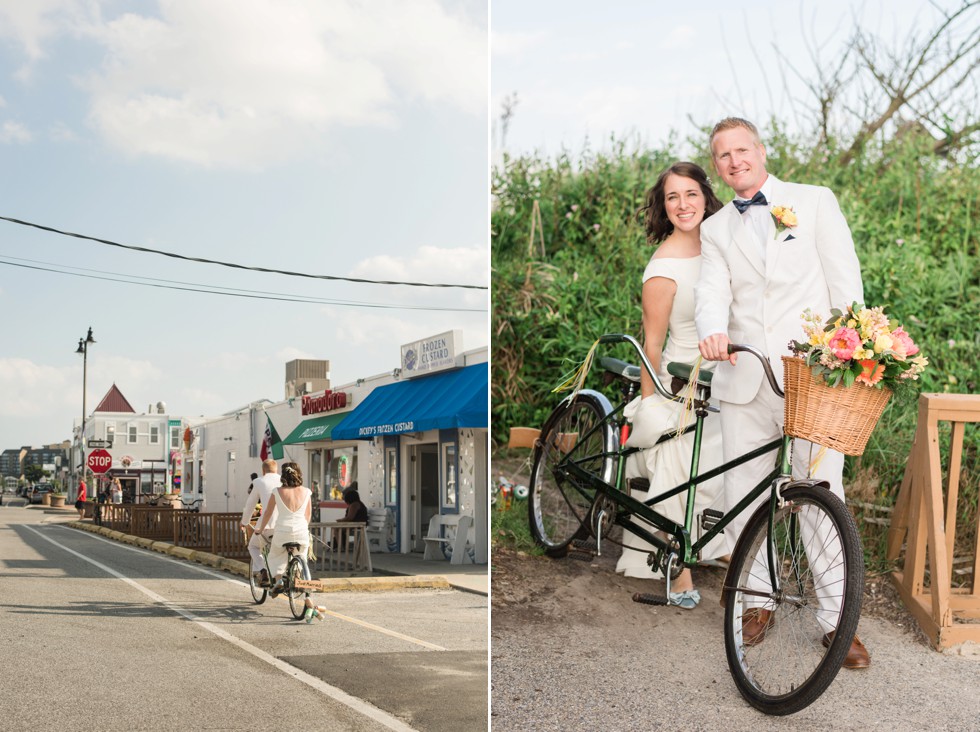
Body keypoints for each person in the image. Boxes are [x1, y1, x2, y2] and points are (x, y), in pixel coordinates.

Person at [695, 117, 869, 668]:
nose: (734, 161)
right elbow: (711, 289)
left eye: (741, 150)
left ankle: (836, 623)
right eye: (723, 156)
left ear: (761, 151)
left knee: (821, 493)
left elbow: (846, 283)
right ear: (717, 166)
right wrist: (710, 330)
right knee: (748, 498)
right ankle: (757, 602)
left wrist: (854, 351)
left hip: (812, 378)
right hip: (746, 377)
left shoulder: (814, 202)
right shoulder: (716, 228)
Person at [614, 161, 728, 609]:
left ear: (706, 196)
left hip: (727, 376)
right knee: (680, 466)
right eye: (672, 197)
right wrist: (651, 401)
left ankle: (721, 543)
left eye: (690, 194)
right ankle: (680, 572)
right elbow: (653, 343)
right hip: (681, 383)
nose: (683, 205)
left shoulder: (723, 245)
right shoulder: (662, 268)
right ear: (664, 207)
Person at [255, 462, 324, 622]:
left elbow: (267, 513)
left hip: (283, 532)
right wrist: (301, 528)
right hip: (301, 532)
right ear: (298, 474)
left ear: (283, 477)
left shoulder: (277, 491)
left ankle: (278, 579)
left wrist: (260, 529)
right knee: (302, 557)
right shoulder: (306, 492)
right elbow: (307, 516)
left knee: (274, 555)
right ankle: (298, 576)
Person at [240, 459, 281, 587]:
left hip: (267, 525)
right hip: (285, 525)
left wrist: (244, 522)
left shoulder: (259, 481)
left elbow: (250, 504)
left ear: (263, 471)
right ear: (277, 470)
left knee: (253, 546)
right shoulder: (285, 481)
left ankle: (263, 571)